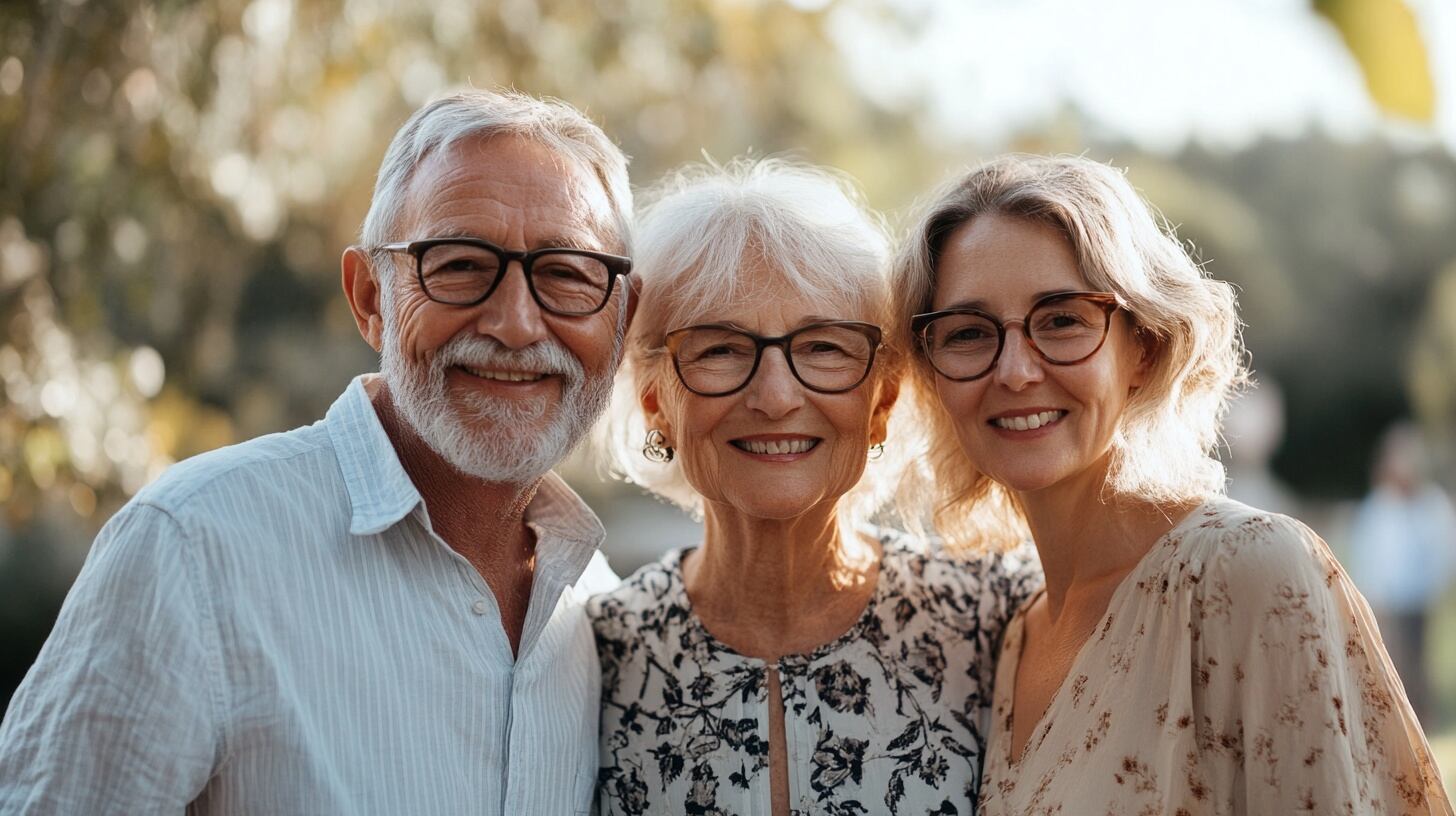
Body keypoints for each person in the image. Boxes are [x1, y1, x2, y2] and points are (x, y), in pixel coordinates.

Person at [0, 89, 635, 814]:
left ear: (623, 319)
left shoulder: (603, 617)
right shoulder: (192, 550)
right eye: (459, 264)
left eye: (566, 273)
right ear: (370, 297)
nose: (516, 324)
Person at [890, 154, 1453, 814]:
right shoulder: (1013, 637)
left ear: (1145, 347)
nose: (1014, 371)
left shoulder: (1249, 572)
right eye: (967, 332)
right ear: (931, 371)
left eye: (1062, 319)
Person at [590, 158, 1041, 815]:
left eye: (824, 347)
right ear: (655, 400)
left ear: (882, 400)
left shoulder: (1001, 619)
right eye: (720, 349)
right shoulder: (598, 652)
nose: (775, 397)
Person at [1351, 421, 1456, 724]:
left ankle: (1425, 719)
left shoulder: (1431, 504)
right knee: (1394, 663)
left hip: (1421, 600)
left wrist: (1436, 586)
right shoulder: (1378, 508)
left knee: (1421, 665)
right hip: (1390, 602)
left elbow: (1443, 549)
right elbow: (1370, 557)